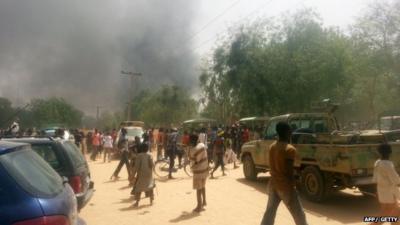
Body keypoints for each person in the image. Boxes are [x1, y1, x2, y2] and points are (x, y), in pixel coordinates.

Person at [260, 122, 307, 225]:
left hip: (273, 184)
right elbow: (289, 172)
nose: (291, 133)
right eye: (290, 131)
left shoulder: (272, 146)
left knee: (269, 214)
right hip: (285, 187)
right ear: (286, 133)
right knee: (299, 215)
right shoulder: (290, 149)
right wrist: (293, 187)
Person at [369, 143, 400, 225]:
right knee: (389, 212)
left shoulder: (378, 162)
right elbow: (396, 180)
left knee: (391, 210)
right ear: (390, 152)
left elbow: (375, 178)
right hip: (390, 191)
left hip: (382, 190)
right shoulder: (387, 164)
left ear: (378, 152)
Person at [131, 139, 155, 207]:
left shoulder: (139, 156)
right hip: (149, 174)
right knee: (150, 186)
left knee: (138, 188)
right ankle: (151, 200)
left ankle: (137, 202)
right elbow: (153, 165)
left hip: (141, 174)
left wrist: (133, 175)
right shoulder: (150, 155)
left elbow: (136, 166)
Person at [189, 134, 208, 213]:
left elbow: (193, 161)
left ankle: (199, 206)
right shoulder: (202, 145)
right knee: (203, 186)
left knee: (198, 189)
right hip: (205, 169)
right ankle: (204, 201)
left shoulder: (193, 150)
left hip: (198, 172)